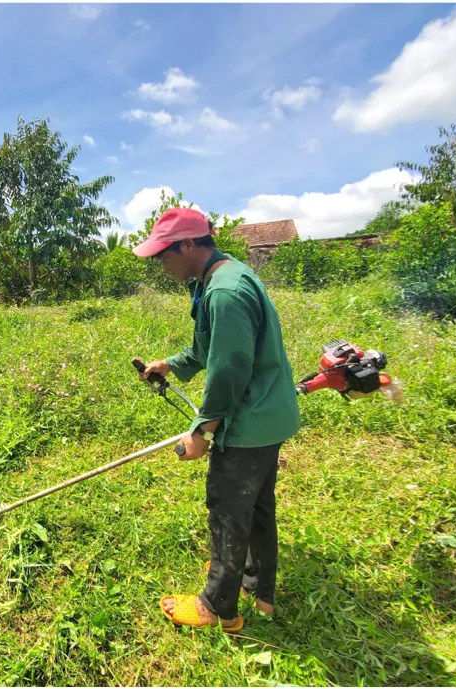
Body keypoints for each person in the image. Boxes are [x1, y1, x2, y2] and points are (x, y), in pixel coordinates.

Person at [133, 207, 301, 633]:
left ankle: (218, 606)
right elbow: (211, 348)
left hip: (248, 421)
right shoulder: (222, 277)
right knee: (257, 507)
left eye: (163, 254)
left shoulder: (223, 292)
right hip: (269, 416)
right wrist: (169, 364)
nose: (160, 263)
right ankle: (259, 591)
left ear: (188, 244)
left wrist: (203, 431)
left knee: (227, 509)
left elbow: (228, 371)